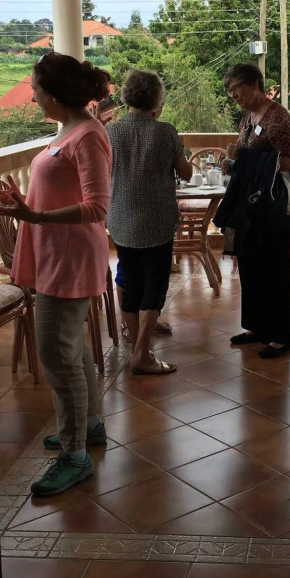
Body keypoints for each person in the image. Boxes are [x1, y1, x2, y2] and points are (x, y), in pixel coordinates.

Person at [0, 52, 112, 497]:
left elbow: (97, 207)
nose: (33, 97)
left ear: (56, 94)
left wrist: (36, 216)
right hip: (54, 252)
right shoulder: (69, 130)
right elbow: (60, 189)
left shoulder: (88, 135)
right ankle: (89, 425)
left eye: (37, 90)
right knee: (70, 348)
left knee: (57, 356)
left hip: (69, 256)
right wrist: (24, 203)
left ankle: (74, 454)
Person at [105, 70, 192, 375]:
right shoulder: (165, 132)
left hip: (121, 219)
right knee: (154, 285)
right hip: (157, 221)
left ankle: (137, 350)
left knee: (130, 283)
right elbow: (186, 173)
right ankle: (142, 354)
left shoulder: (111, 133)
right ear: (157, 98)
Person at [220, 63, 290, 359]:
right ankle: (256, 327)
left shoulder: (278, 116)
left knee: (273, 269)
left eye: (236, 88)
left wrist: (247, 158)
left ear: (254, 83)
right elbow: (246, 157)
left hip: (271, 204)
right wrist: (233, 161)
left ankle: (279, 336)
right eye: (229, 91)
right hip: (248, 205)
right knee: (250, 267)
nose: (233, 95)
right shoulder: (246, 119)